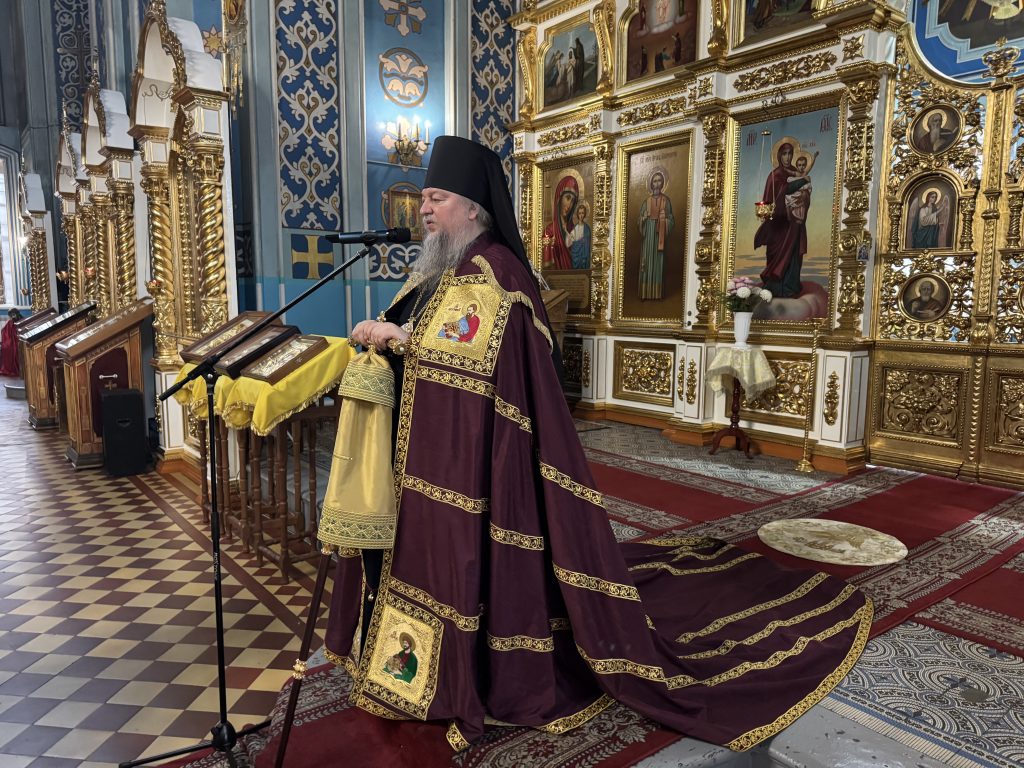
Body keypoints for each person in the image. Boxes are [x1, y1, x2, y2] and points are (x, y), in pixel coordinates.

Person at [325, 135, 870, 751]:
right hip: (439, 458)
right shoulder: (444, 268)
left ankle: (466, 667)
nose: (424, 209)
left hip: (484, 463)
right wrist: (392, 335)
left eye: (436, 198)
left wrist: (401, 342)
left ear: (473, 206)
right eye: (424, 198)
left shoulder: (497, 272)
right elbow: (437, 342)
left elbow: (474, 366)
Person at [756, 142, 810, 299]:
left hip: (794, 222)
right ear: (779, 156)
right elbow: (781, 191)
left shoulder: (796, 171)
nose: (787, 157)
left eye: (790, 154)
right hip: (778, 225)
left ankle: (790, 287)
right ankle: (774, 288)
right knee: (777, 255)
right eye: (784, 154)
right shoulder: (775, 175)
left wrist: (804, 196)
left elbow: (805, 195)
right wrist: (802, 181)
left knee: (793, 256)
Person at [638, 170, 674, 300]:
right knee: (646, 263)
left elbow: (671, 220)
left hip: (660, 235)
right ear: (651, 184)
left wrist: (664, 220)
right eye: (655, 181)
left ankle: (657, 294)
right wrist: (643, 219)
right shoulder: (646, 201)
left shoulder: (666, 201)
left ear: (662, 183)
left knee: (658, 263)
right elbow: (639, 220)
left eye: (659, 181)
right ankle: (645, 293)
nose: (657, 184)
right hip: (648, 234)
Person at [541, 175, 578, 270]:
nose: (569, 205)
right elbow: (547, 268)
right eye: (568, 198)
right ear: (559, 198)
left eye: (573, 201)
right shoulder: (549, 231)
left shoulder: (574, 229)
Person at [566, 201, 592, 270]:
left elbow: (587, 245)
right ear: (577, 214)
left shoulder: (587, 229)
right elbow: (569, 243)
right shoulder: (575, 228)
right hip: (575, 256)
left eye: (582, 213)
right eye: (579, 213)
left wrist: (582, 242)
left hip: (584, 256)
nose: (581, 215)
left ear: (585, 214)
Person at [0, 308, 22, 377]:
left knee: (15, 350)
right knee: (7, 349)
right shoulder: (10, 322)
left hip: (19, 341)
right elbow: (4, 331)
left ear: (17, 314)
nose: (12, 317)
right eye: (11, 315)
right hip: (11, 342)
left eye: (13, 314)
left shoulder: (22, 320)